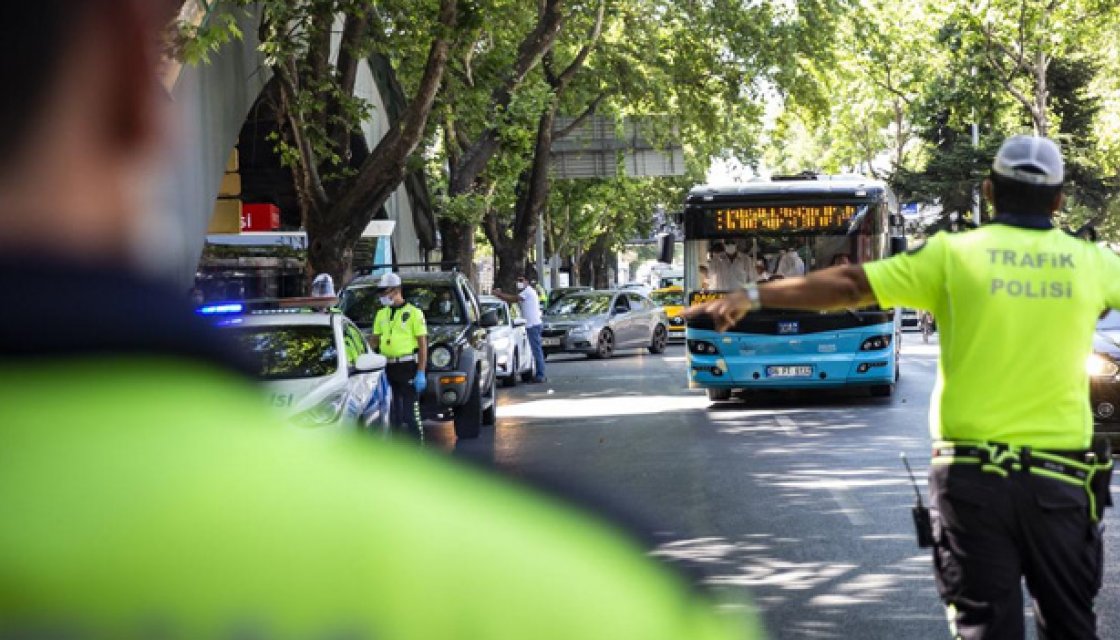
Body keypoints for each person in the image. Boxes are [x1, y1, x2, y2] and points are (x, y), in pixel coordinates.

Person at [0, 2, 758, 637]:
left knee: (412, 408)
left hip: (403, 368)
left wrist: (420, 353)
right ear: (136, 83)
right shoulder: (586, 592)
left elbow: (420, 337)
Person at [686, 135, 1120, 640]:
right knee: (1072, 626)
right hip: (1062, 480)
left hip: (971, 482)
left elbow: (851, 284)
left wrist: (752, 293)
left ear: (988, 191)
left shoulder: (952, 255)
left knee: (984, 627)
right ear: (1058, 200)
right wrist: (1096, 298)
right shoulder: (1087, 262)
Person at [372, 272, 428, 436]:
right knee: (393, 415)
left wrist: (421, 372)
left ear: (396, 291)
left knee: (411, 414)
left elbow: (422, 344)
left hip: (407, 366)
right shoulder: (381, 314)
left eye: (385, 291)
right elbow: (375, 340)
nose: (382, 296)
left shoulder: (414, 313)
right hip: (387, 367)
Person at [494, 275, 547, 383]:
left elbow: (513, 299)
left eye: (521, 280)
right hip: (532, 324)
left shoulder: (527, 292)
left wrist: (499, 295)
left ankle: (540, 375)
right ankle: (539, 374)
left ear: (526, 281)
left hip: (533, 325)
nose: (519, 282)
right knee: (535, 351)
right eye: (518, 280)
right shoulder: (527, 292)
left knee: (536, 351)